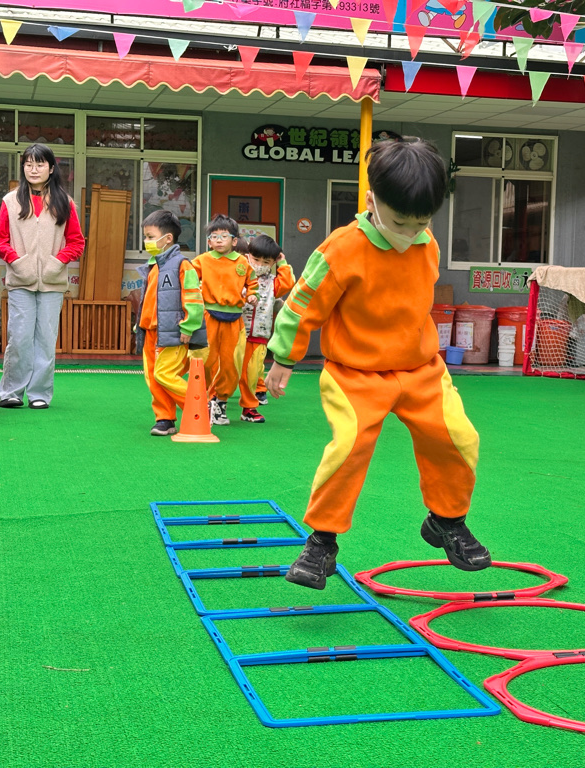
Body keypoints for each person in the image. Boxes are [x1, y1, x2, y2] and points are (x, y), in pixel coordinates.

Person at [265, 138, 490, 590]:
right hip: (355, 373)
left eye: (422, 222)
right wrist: (284, 356)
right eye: (400, 222)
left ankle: (446, 521)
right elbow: (303, 301)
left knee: (458, 437)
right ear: (371, 201)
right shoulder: (341, 249)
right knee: (349, 446)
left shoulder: (427, 244)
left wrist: (416, 231)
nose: (410, 232)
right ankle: (322, 542)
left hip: (421, 369)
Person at [0, 143, 84, 409]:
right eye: (29, 164)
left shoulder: (65, 202)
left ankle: (39, 394)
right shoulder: (10, 201)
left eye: (40, 164)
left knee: (45, 338)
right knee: (19, 337)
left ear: (51, 168)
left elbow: (76, 242)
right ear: (23, 167)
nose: (34, 169)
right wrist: (17, 262)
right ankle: (11, 392)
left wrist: (57, 263)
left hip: (52, 283)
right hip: (21, 280)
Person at [139, 210, 206, 436]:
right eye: (146, 236)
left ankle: (197, 406)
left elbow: (193, 297)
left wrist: (189, 325)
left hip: (172, 332)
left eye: (150, 236)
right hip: (151, 331)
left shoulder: (182, 264)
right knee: (153, 378)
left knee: (164, 374)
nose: (146, 241)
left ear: (168, 238)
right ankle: (165, 419)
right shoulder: (153, 265)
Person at [192, 214, 257, 426]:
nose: (219, 240)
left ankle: (221, 402)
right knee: (206, 360)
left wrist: (252, 295)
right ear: (209, 241)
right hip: (208, 317)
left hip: (234, 320)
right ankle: (204, 399)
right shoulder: (202, 260)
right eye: (214, 236)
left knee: (231, 363)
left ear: (234, 241)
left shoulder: (242, 262)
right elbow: (187, 278)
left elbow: (252, 283)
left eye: (224, 236)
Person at [239, 234, 294, 423]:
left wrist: (283, 263)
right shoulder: (239, 274)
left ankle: (249, 407)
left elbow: (288, 283)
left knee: (252, 373)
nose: (260, 264)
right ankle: (216, 402)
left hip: (258, 336)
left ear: (272, 263)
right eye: (256, 259)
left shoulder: (272, 283)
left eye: (266, 262)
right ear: (248, 256)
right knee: (226, 370)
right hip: (235, 332)